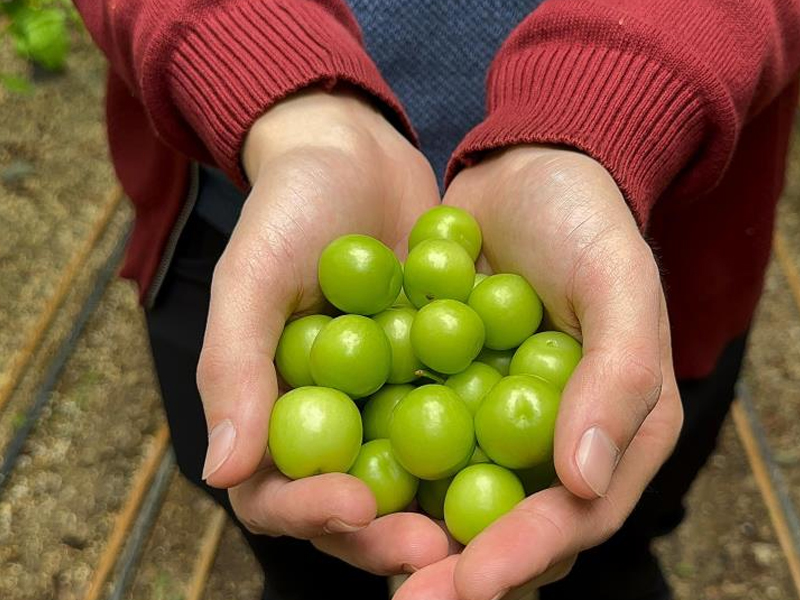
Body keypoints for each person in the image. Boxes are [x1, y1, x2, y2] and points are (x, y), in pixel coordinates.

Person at [73, 1, 800, 599]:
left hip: (634, 248)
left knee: (608, 523)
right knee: (307, 549)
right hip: (253, 223)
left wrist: (613, 91)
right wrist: (268, 71)